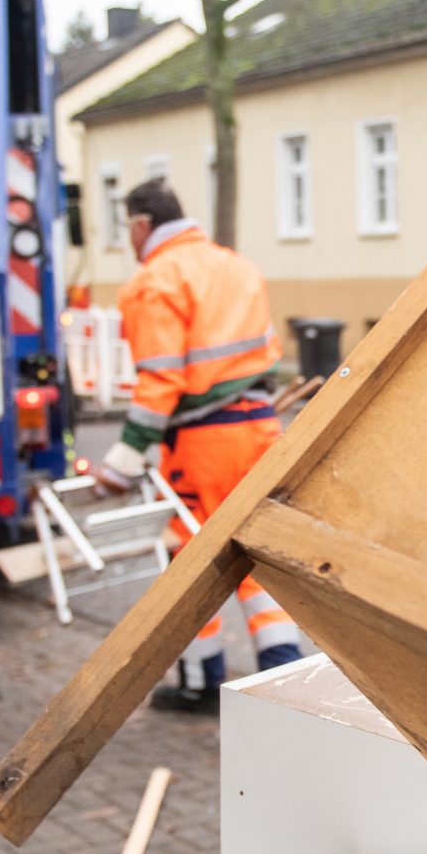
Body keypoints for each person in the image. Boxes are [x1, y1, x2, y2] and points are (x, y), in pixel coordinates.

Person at [92, 178, 301, 713]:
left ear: (142, 225)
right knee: (255, 548)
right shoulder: (237, 267)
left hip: (201, 441)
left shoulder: (154, 281)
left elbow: (159, 379)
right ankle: (283, 671)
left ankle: (199, 677)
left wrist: (124, 457)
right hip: (257, 427)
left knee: (189, 552)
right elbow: (266, 353)